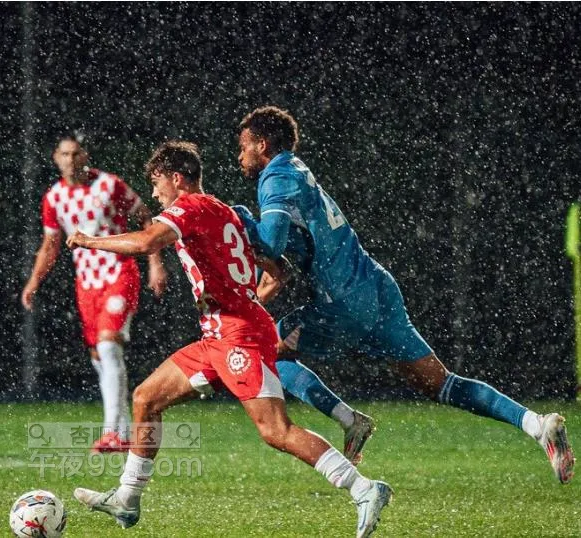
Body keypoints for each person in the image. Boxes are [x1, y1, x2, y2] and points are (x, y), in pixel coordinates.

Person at [235, 105, 575, 485]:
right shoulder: (297, 170)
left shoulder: (276, 177)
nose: (240, 156)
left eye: (243, 147)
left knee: (262, 349)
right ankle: (536, 424)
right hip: (377, 287)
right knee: (440, 383)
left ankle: (349, 420)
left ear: (262, 144)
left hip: (344, 302)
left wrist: (239, 219)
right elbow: (287, 248)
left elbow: (270, 241)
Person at [70, 140, 392, 538]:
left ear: (177, 178)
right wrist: (243, 295)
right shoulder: (224, 210)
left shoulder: (190, 206)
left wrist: (89, 241)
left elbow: (147, 241)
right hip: (219, 334)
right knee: (145, 399)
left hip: (236, 335)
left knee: (275, 430)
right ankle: (127, 498)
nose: (154, 193)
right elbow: (278, 270)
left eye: (156, 183)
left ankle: (364, 489)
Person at [21, 135, 168, 452]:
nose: (70, 160)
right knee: (100, 356)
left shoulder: (109, 185)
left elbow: (146, 217)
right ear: (55, 158)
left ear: (85, 155)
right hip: (87, 284)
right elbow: (50, 245)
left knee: (108, 344)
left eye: (76, 153)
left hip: (119, 272)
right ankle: (122, 431)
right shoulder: (54, 197)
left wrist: (155, 263)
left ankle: (113, 432)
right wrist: (33, 282)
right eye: (64, 154)